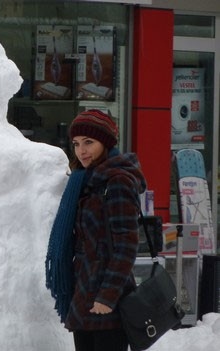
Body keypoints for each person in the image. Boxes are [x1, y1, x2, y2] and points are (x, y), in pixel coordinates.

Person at [45, 109, 147, 351]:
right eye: (77, 143)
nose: (82, 151)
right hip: (82, 293)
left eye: (89, 142)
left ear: (106, 142)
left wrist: (107, 296)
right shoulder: (85, 181)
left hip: (107, 299)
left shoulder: (117, 181)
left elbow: (126, 244)